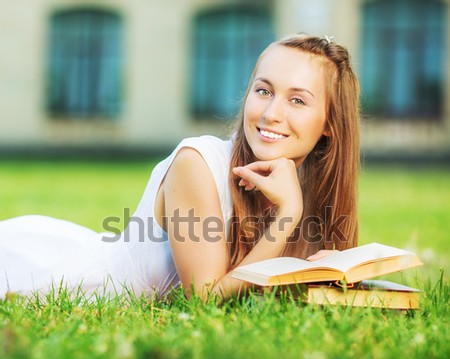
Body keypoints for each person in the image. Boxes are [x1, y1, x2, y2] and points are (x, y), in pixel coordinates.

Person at [0, 34, 360, 301]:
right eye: (263, 91)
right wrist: (288, 215)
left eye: (297, 100)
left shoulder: (310, 184)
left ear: (329, 122)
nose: (271, 114)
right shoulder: (197, 163)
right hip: (51, 273)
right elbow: (205, 299)